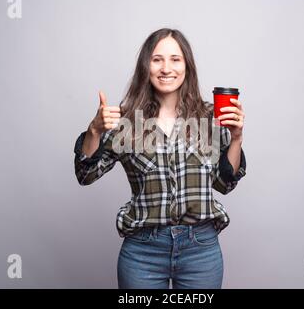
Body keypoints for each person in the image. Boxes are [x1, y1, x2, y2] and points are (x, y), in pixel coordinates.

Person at [74, 28, 246, 289]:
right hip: (143, 251)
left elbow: (225, 184)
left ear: (187, 66)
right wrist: (95, 130)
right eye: (157, 59)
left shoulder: (210, 117)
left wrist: (236, 139)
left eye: (175, 59)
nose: (167, 68)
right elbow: (85, 175)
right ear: (146, 66)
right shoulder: (125, 120)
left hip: (200, 250)